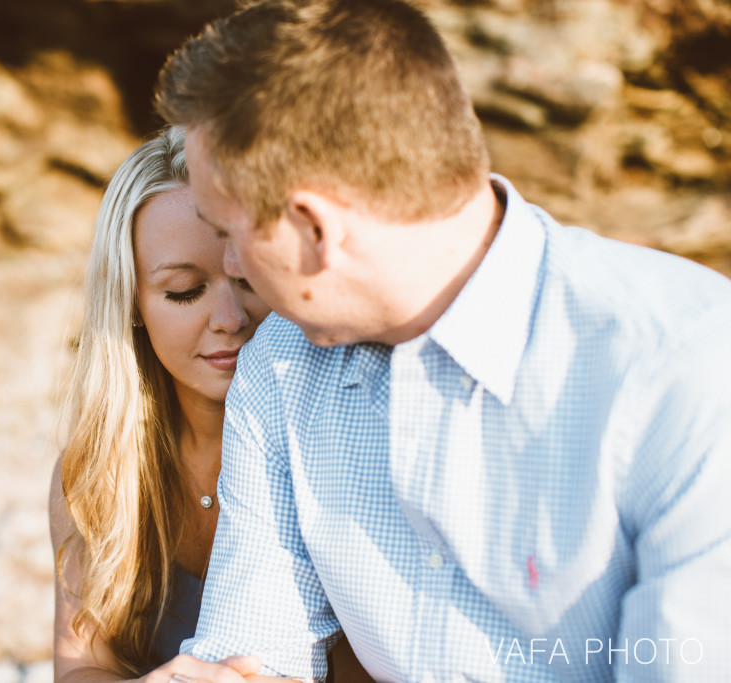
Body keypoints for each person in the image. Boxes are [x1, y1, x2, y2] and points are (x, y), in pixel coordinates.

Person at [154, 1, 731, 682]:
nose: (231, 267)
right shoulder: (279, 365)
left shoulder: (687, 365)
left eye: (230, 232)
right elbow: (252, 654)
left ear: (313, 228)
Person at [49, 127, 372, 683]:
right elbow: (80, 666)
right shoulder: (96, 474)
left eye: (248, 278)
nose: (229, 318)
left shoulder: (346, 448)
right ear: (132, 303)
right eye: (183, 291)